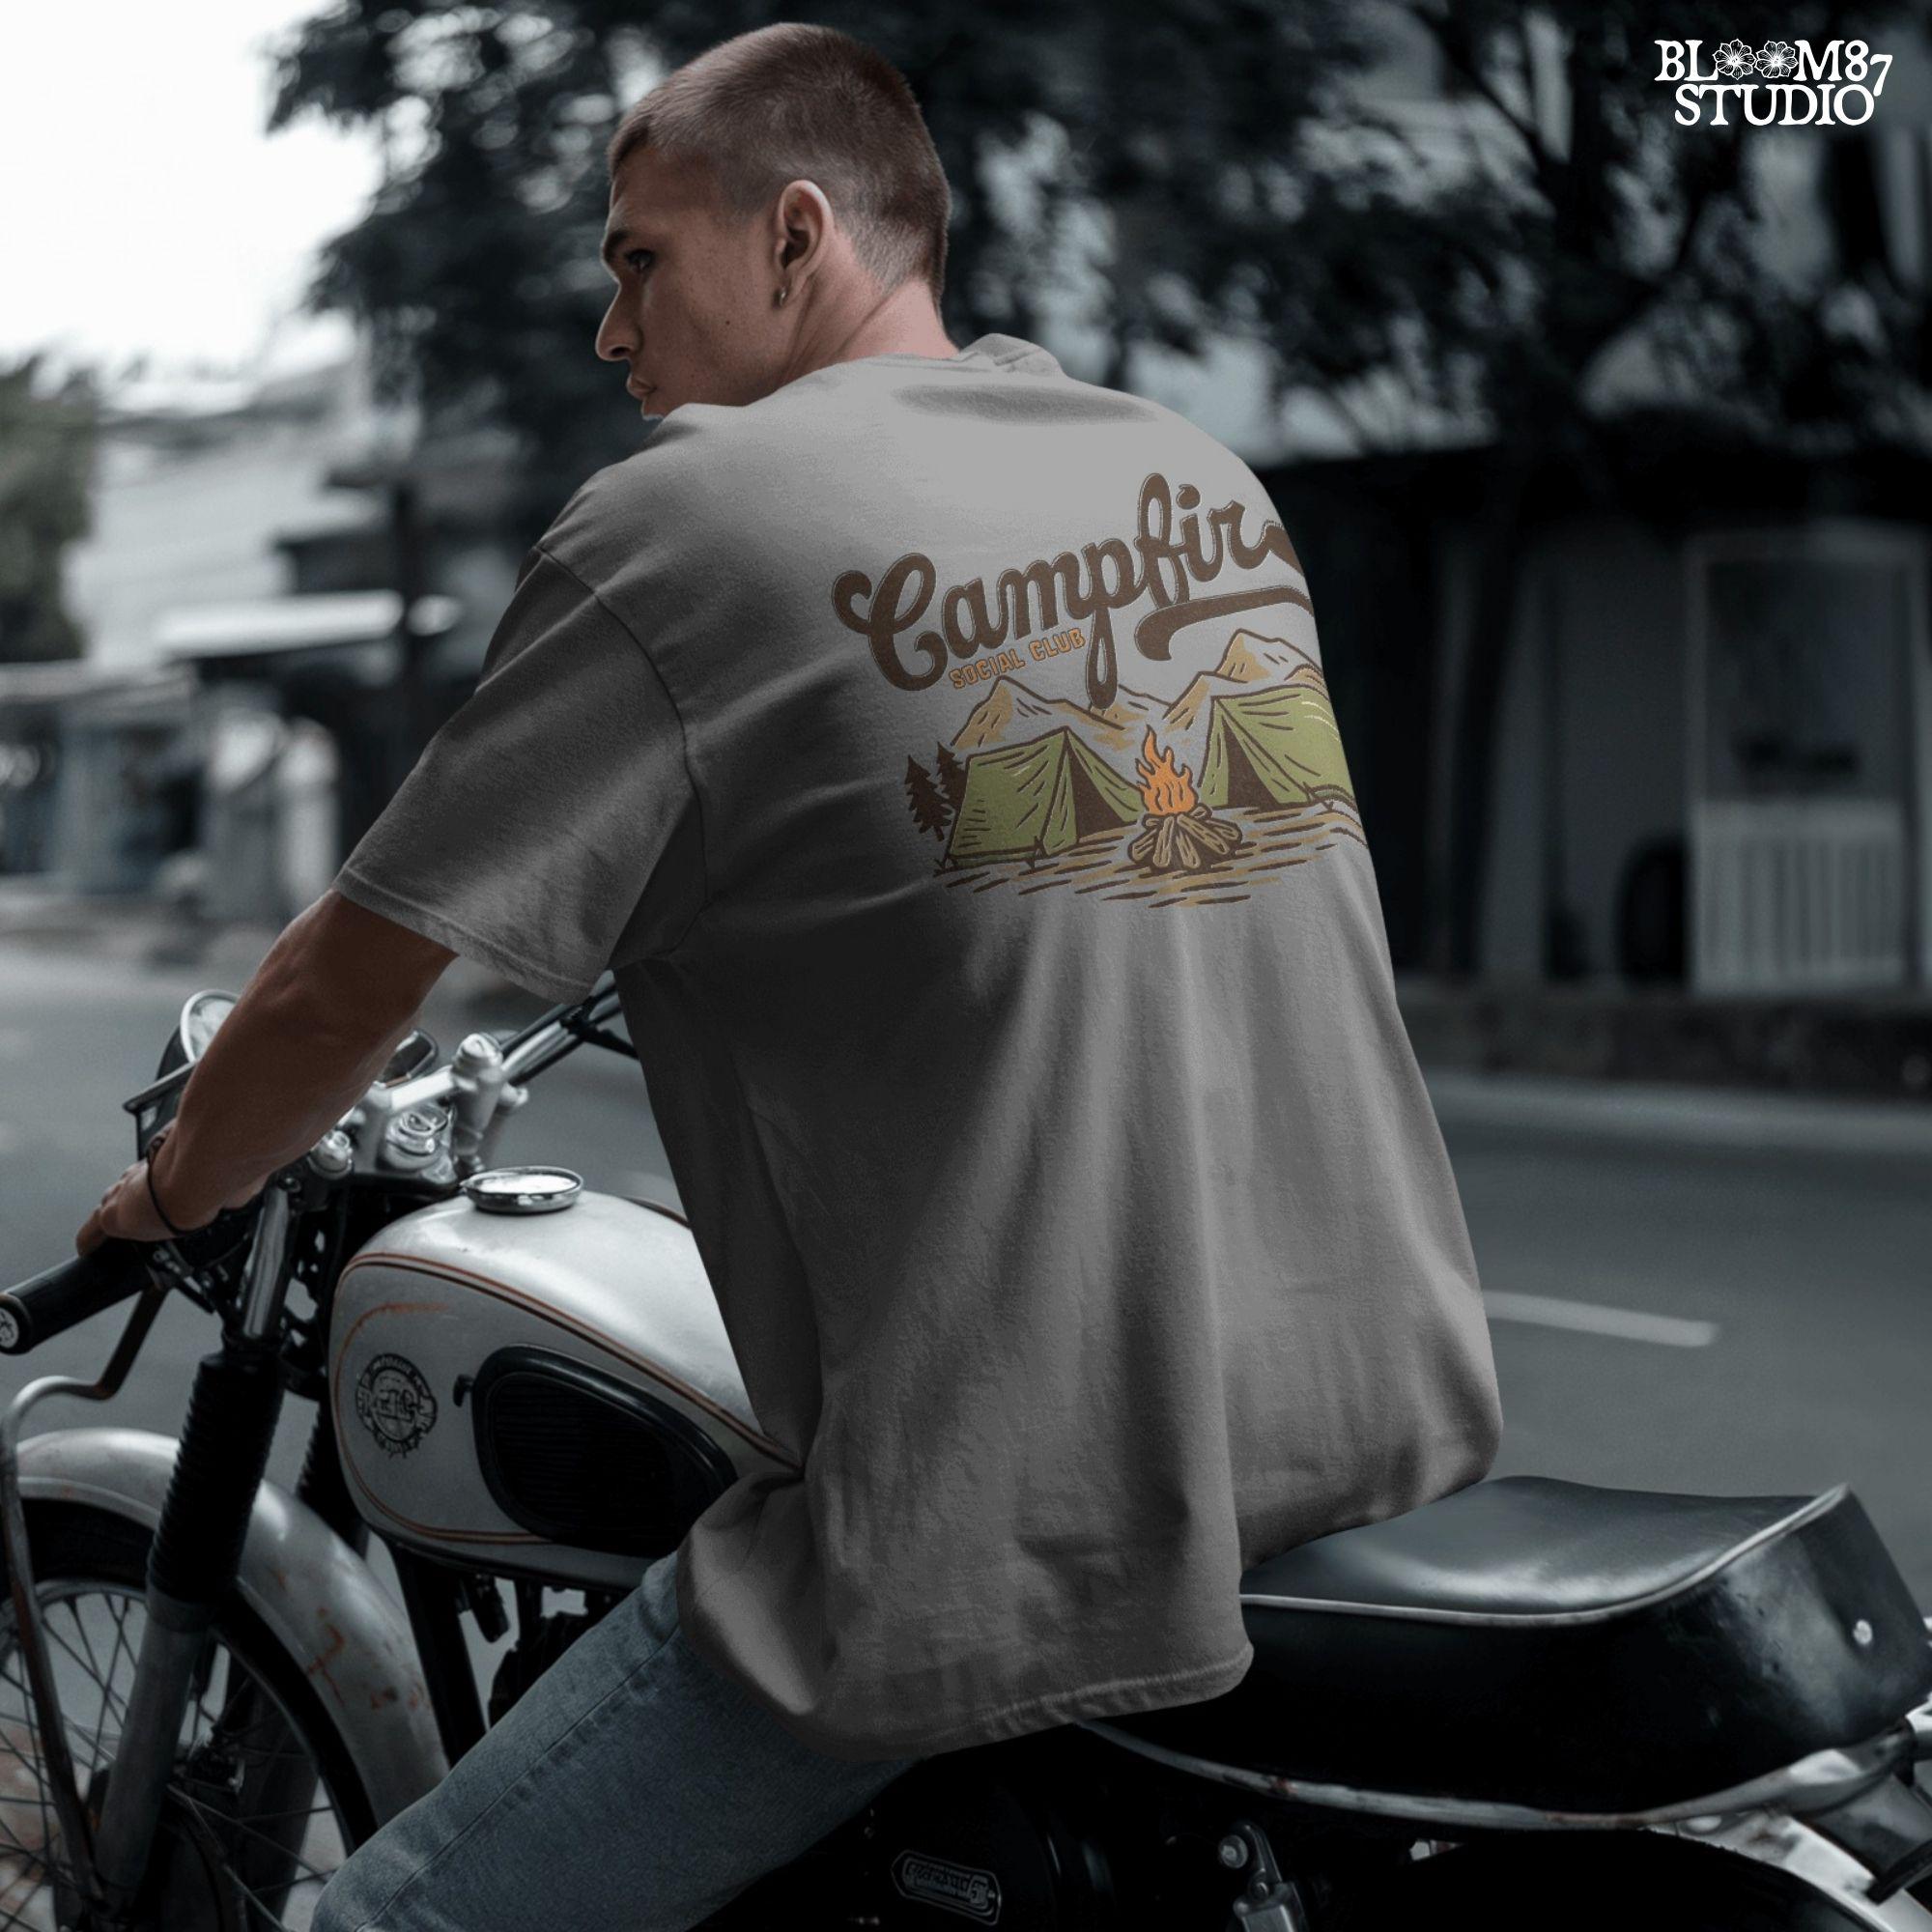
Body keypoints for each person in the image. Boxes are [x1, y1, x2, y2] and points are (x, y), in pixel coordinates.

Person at [76, 21, 1503, 1930]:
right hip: (1374, 1429)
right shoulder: (1189, 474)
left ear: (796, 234)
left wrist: (178, 1188)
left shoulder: (690, 524)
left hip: (1018, 1524)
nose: (612, 331)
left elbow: (350, 984)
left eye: (638, 261)